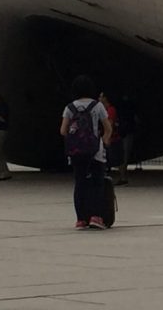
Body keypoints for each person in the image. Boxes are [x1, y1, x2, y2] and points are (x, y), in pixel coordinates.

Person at [59, 74, 113, 229]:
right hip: (95, 150)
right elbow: (108, 128)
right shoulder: (97, 106)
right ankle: (96, 217)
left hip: (76, 151)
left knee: (80, 183)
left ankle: (81, 219)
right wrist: (104, 142)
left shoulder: (69, 107)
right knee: (97, 182)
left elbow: (63, 130)